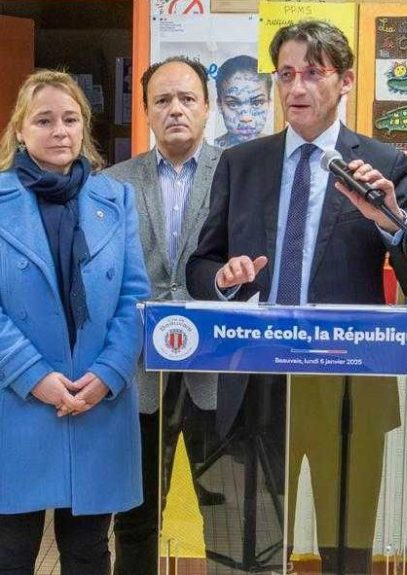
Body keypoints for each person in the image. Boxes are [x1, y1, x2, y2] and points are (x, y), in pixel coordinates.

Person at [186, 20, 407, 572]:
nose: (296, 89)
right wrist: (222, 279)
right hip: (257, 384)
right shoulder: (241, 164)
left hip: (348, 385)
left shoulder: (382, 166)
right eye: (286, 75)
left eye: (313, 74)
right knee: (253, 546)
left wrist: (389, 221)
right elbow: (198, 268)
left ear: (345, 80)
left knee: (346, 553)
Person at [0, 70, 149, 574]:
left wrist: (107, 375)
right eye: (44, 120)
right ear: (20, 130)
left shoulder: (116, 200)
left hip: (95, 403)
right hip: (16, 401)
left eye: (70, 119)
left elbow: (134, 297)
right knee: (11, 551)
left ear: (84, 127)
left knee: (88, 552)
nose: (60, 131)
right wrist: (33, 376)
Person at [103, 56, 224, 575]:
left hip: (217, 370)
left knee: (225, 508)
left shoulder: (238, 174)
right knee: (135, 514)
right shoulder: (111, 184)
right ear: (146, 111)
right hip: (136, 372)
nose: (176, 109)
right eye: (163, 100)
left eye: (187, 98)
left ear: (207, 106)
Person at [213, 55, 271, 148]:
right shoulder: (209, 153)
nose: (245, 118)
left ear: (269, 103)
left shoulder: (281, 151)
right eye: (233, 104)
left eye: (256, 103)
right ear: (220, 105)